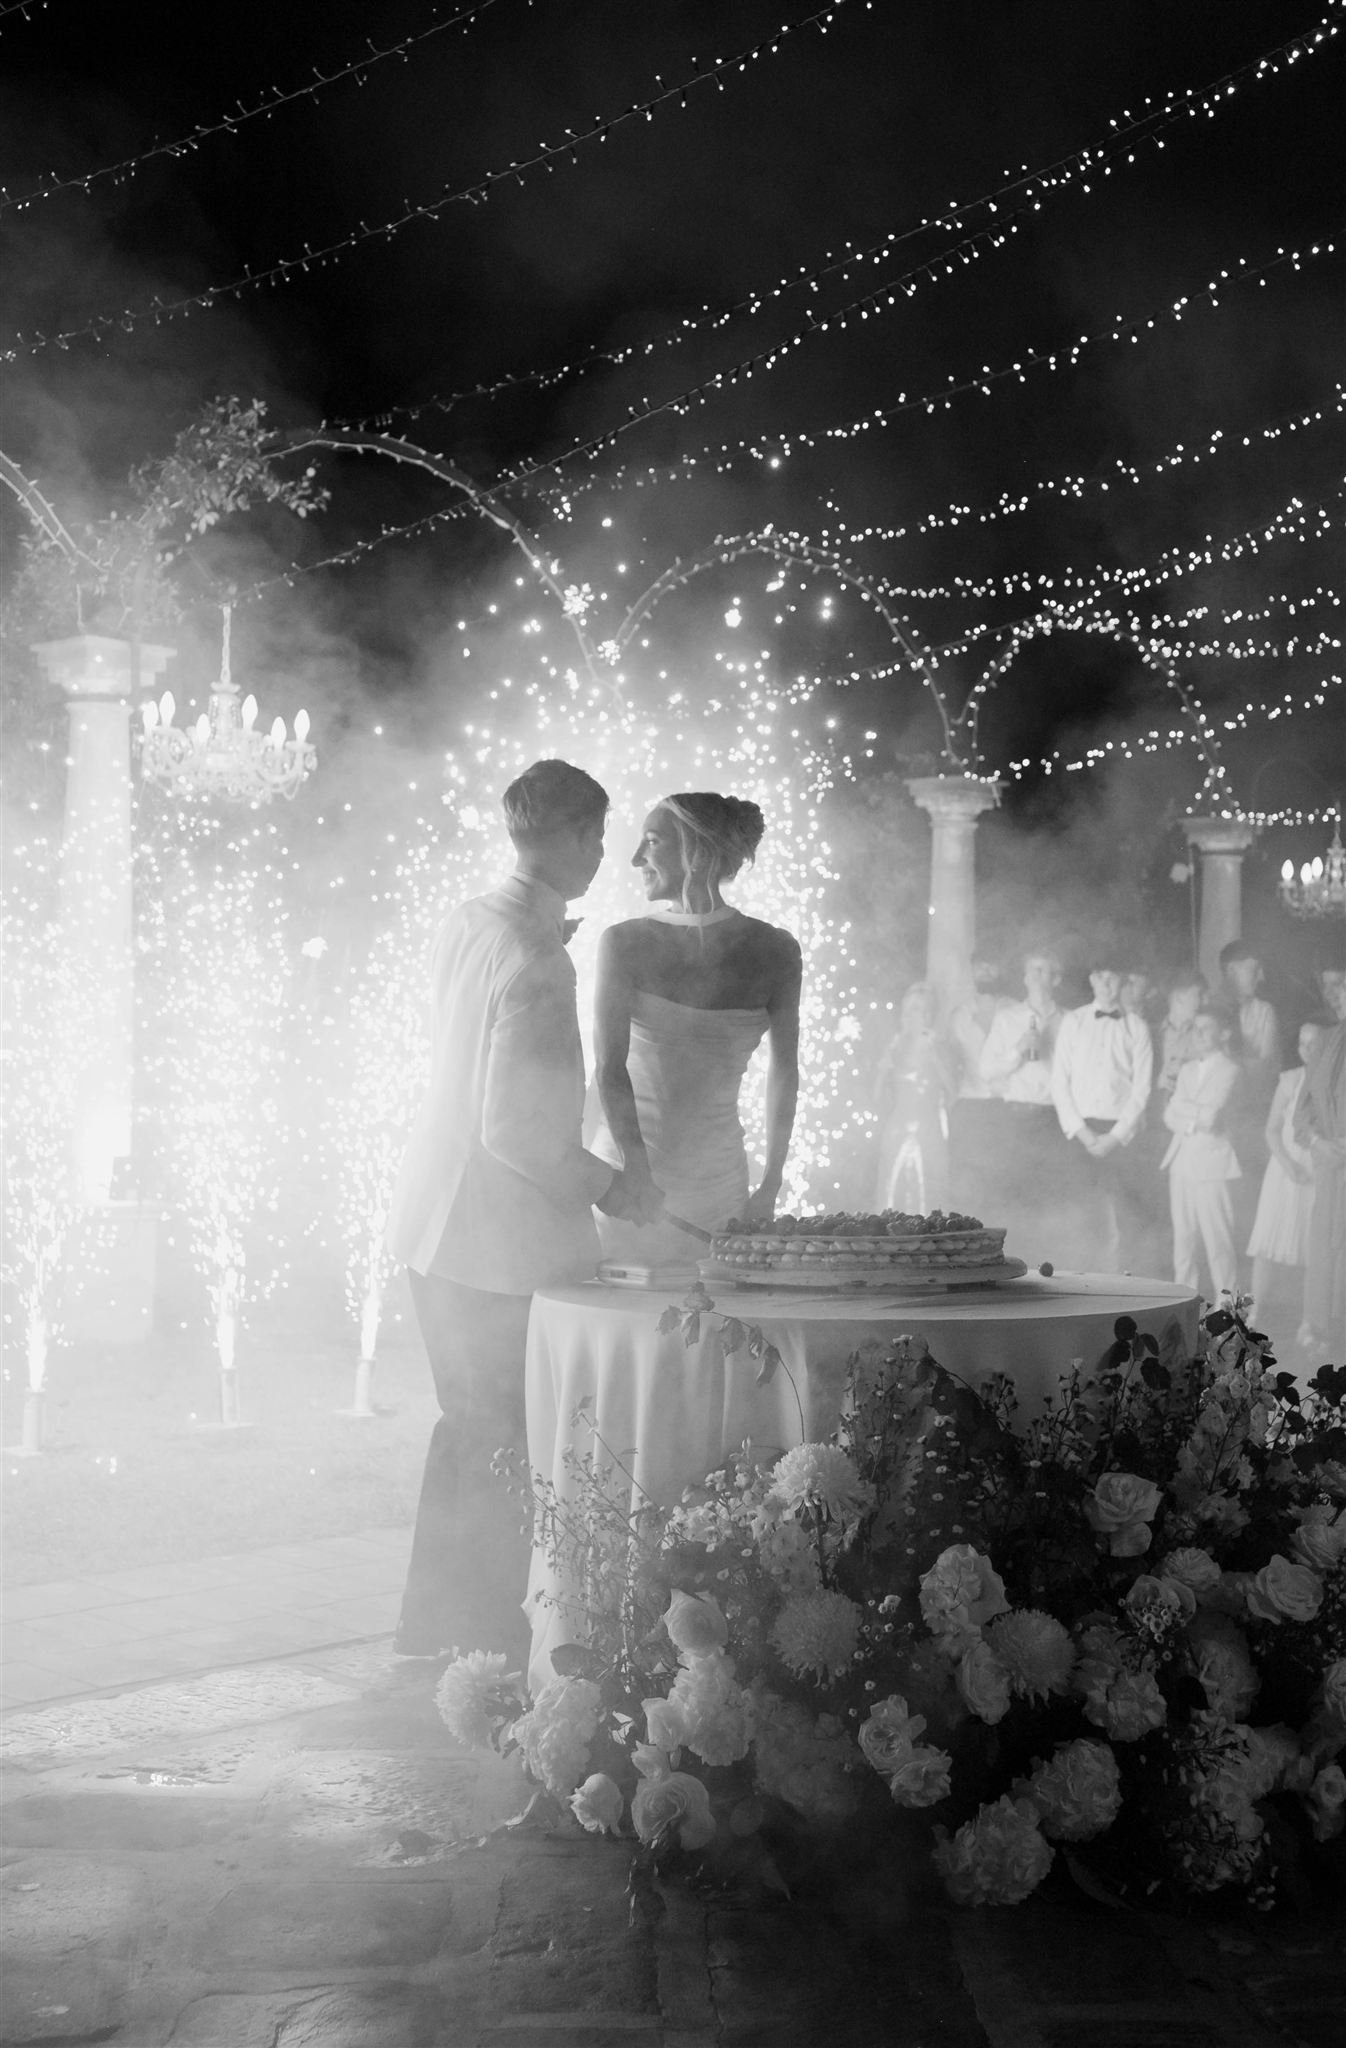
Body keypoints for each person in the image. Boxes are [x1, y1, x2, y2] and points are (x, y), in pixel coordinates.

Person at [384, 760, 661, 1657]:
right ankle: (486, 1641)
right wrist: (613, 1185)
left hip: (432, 1221)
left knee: (469, 1429)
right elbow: (519, 1133)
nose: (603, 852)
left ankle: (438, 1630)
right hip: (491, 1245)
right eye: (598, 836)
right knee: (507, 1439)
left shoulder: (469, 919)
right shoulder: (538, 959)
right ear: (576, 836)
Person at [592, 792, 801, 1264]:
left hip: (718, 1186)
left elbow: (785, 1073)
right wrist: (636, 1171)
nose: (636, 859)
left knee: (712, 1304)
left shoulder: (777, 950)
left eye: (652, 841)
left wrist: (770, 1185)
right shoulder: (623, 943)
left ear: (697, 850)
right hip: (626, 1186)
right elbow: (608, 1068)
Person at [1051, 957, 1154, 1270]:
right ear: (1092, 980)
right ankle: (1079, 1277)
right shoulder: (1074, 1021)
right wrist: (1082, 1133)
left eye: (1113, 977)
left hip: (1120, 1135)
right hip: (1081, 1132)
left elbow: (1142, 1090)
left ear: (1122, 981)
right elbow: (1059, 1082)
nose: (1107, 984)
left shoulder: (1136, 1026)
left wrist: (1115, 1137)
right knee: (1083, 1212)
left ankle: (1123, 1279)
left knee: (1126, 1215)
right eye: (1101, 977)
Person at [976, 948, 1068, 1227]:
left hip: (1055, 1118)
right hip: (1015, 1119)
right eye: (1031, 971)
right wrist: (1018, 1050)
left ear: (1056, 979)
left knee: (1052, 1199)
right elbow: (986, 1070)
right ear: (1024, 978)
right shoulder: (1008, 1018)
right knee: (1012, 1196)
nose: (1036, 977)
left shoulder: (1071, 1020)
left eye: (1043, 970)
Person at [1248, 1021, 1326, 1336]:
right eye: (1302, 1043)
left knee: (1314, 1248)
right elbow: (1271, 1130)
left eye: (1314, 1043)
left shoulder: (1337, 1082)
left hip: (1319, 1171)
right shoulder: (1291, 1080)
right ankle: (1253, 1315)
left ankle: (1309, 1322)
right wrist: (1288, 1164)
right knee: (1267, 1243)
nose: (1307, 1050)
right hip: (1285, 1169)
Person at [1160, 1005, 1242, 1303]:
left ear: (1224, 1033)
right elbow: (1169, 1115)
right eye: (1196, 1028)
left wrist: (1185, 1111)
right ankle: (1184, 1299)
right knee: (1184, 1240)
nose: (1199, 1033)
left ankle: (1229, 1307)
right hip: (1181, 1161)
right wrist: (1194, 1116)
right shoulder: (1187, 1070)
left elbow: (1213, 1116)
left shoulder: (1231, 1070)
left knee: (1218, 1240)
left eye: (1207, 1028)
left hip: (1212, 1164)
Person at [1295, 964, 1346, 1358]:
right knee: (1325, 1245)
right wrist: (1317, 1141)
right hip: (1331, 1167)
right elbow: (1302, 1114)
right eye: (1339, 991)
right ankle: (1320, 1329)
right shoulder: (1326, 1041)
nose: (1339, 996)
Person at [874, 981, 957, 1212]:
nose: (922, 1015)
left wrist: (934, 1055)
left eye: (927, 1009)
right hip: (897, 1127)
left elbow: (953, 1093)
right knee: (891, 1190)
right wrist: (883, 1069)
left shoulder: (941, 1046)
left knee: (927, 1192)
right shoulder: (895, 1047)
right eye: (915, 1009)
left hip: (929, 1129)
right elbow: (877, 1097)